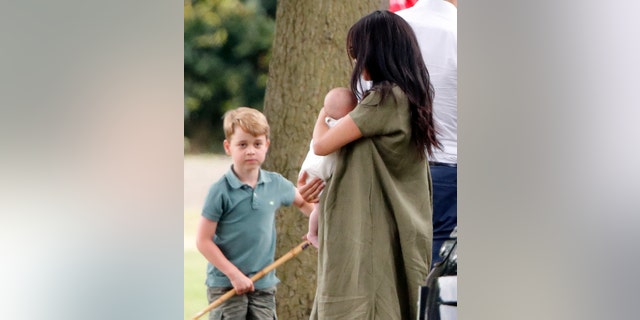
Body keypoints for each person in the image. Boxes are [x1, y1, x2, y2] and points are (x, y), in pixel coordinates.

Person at [299, 10, 440, 319]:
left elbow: (323, 145)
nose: (354, 61)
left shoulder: (384, 100)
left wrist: (325, 114)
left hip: (370, 223)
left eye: (356, 53)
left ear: (375, 53)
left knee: (359, 298)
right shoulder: (410, 97)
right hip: (388, 219)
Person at [195, 107, 313, 320]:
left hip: (264, 284)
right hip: (226, 285)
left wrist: (316, 228)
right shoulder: (220, 191)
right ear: (228, 147)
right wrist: (234, 275)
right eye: (242, 144)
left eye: (257, 144)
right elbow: (203, 241)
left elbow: (305, 203)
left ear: (266, 145)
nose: (251, 150)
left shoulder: (276, 184)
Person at [396, 0, 457, 265]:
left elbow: (360, 101)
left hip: (392, 164)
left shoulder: (390, 28)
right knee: (437, 269)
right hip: (449, 164)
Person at [299, 87, 357, 248]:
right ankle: (312, 233)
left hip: (310, 169)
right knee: (319, 208)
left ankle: (314, 232)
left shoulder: (326, 122)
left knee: (319, 208)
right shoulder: (342, 125)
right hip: (320, 173)